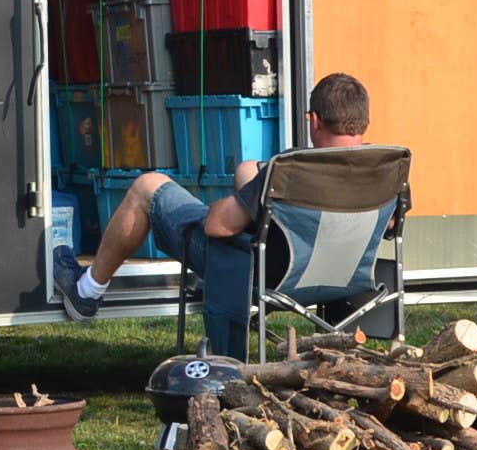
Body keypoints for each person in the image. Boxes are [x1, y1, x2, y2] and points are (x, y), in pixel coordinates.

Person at [53, 71, 375, 353]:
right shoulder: (382, 169)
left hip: (265, 276)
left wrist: (230, 206)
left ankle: (86, 291)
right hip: (338, 277)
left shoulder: (292, 170)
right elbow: (388, 226)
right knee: (247, 169)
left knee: (147, 186)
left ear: (314, 121)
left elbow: (218, 226)